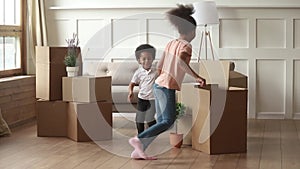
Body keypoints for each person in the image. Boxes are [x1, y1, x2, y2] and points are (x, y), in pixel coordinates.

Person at [128, 4, 206, 160]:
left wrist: (158, 83)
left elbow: (160, 67)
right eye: (195, 31)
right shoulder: (186, 46)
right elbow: (181, 63)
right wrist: (197, 76)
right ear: (192, 31)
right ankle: (139, 139)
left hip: (158, 84)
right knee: (168, 121)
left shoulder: (171, 44)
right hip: (166, 86)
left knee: (162, 121)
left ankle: (140, 149)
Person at [128, 44, 157, 135]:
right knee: (139, 118)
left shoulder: (157, 71)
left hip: (153, 99)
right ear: (139, 61)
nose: (147, 61)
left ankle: (153, 132)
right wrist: (130, 92)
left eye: (149, 58)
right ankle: (141, 135)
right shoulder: (138, 73)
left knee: (150, 118)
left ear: (153, 59)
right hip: (142, 99)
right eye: (144, 59)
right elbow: (132, 83)